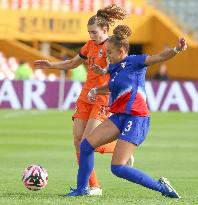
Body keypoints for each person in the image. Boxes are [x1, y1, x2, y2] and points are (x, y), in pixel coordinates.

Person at [64, 25, 187, 197]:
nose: (107, 56)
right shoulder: (114, 67)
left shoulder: (136, 62)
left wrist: (176, 49)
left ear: (122, 51)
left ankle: (162, 188)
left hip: (136, 118)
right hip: (119, 116)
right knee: (85, 146)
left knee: (118, 168)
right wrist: (95, 91)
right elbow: (111, 86)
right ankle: (82, 189)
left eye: (110, 53)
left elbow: (160, 57)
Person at [34, 5, 133, 196]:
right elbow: (72, 63)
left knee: (89, 142)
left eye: (94, 32)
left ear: (105, 30)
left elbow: (122, 69)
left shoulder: (112, 46)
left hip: (102, 97)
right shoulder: (89, 45)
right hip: (85, 96)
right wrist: (51, 65)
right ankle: (93, 186)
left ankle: (120, 150)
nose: (92, 35)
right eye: (89, 32)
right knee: (78, 142)